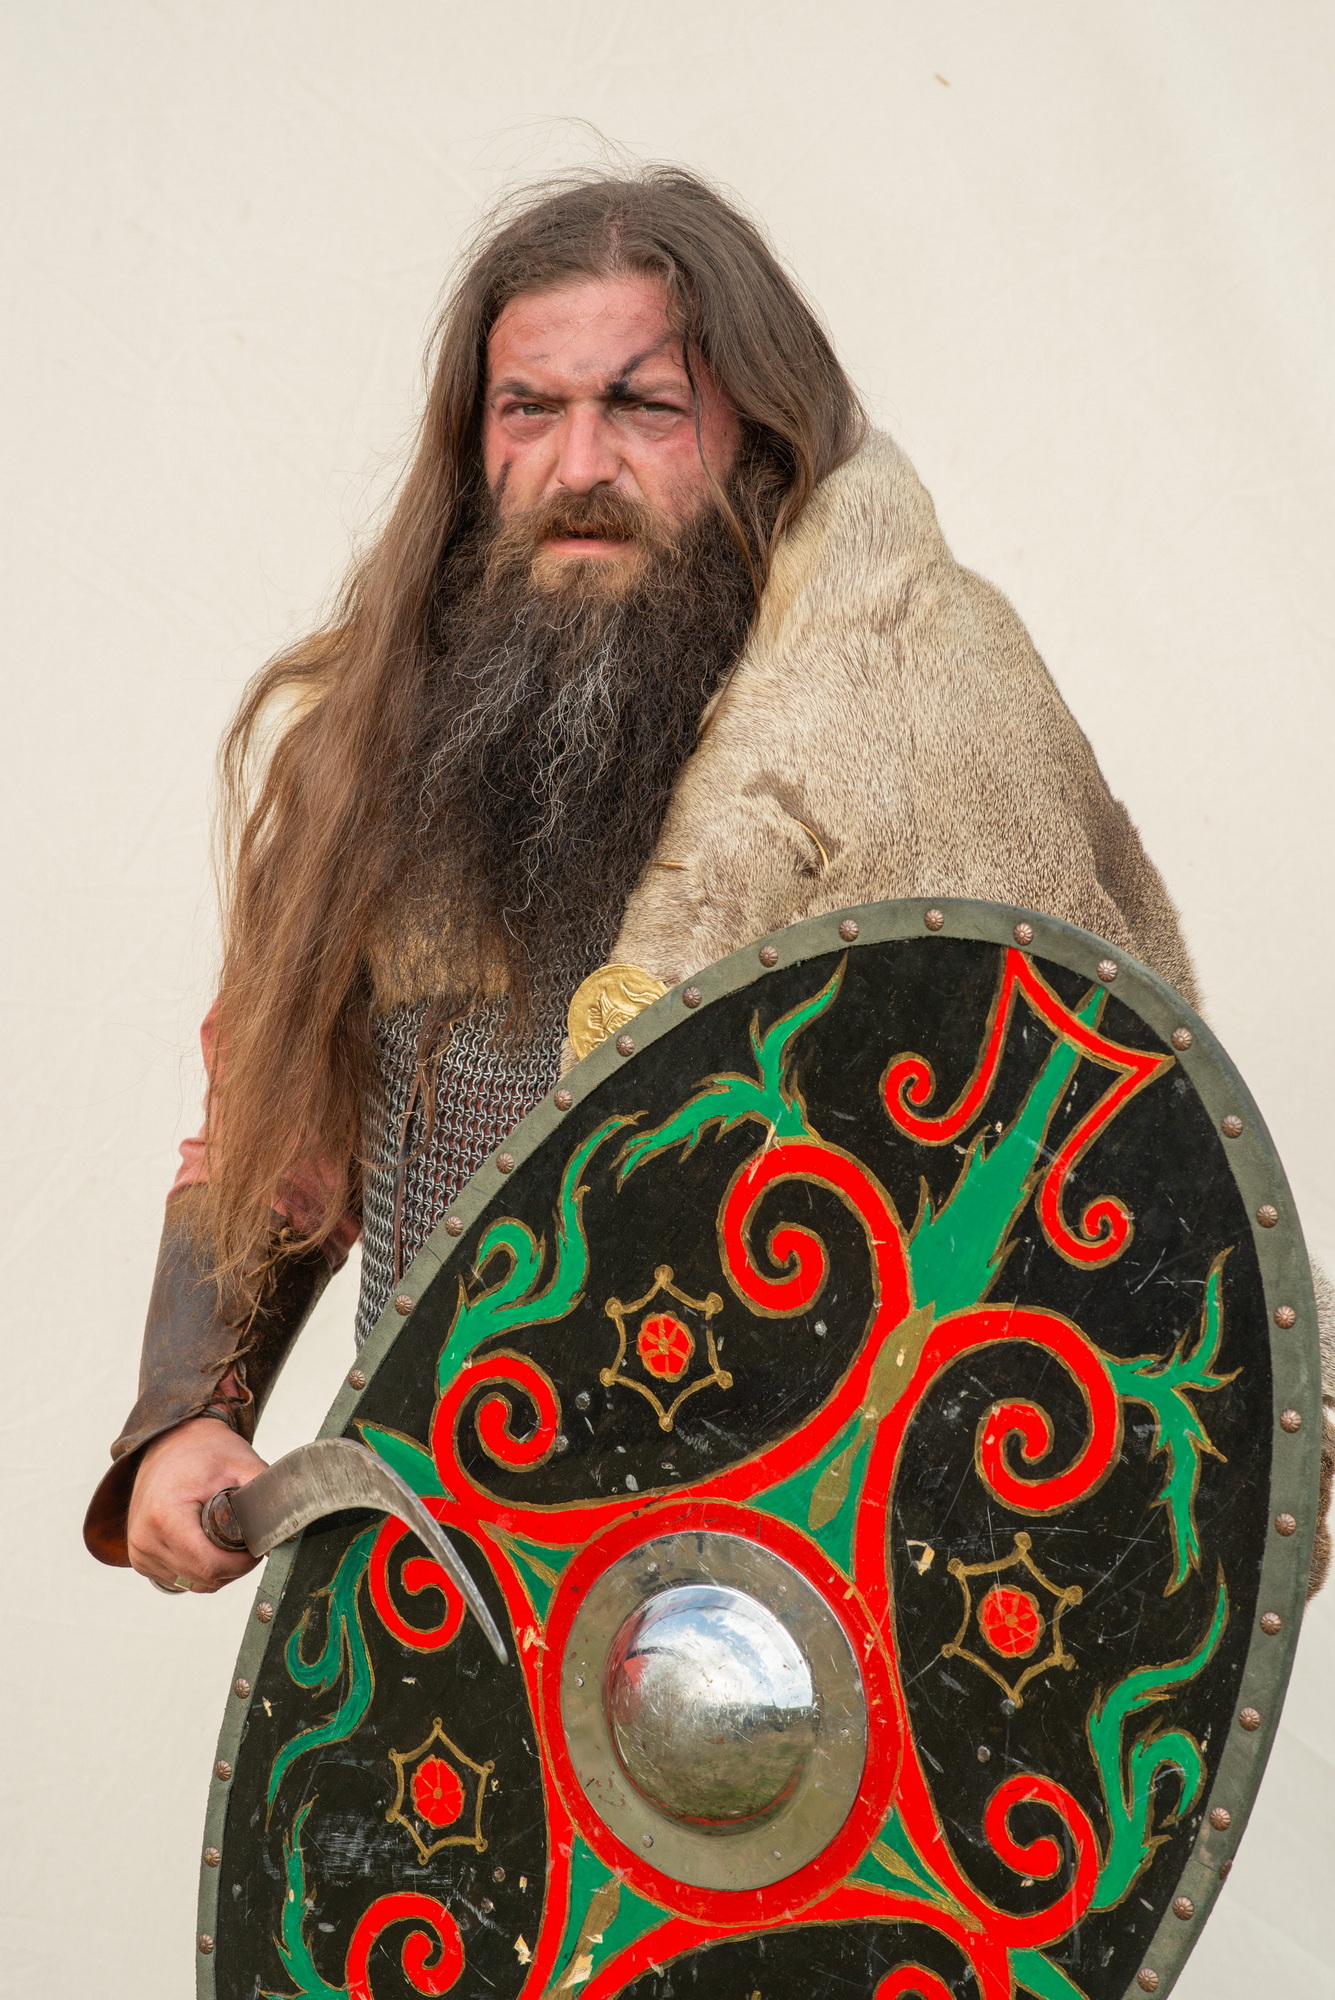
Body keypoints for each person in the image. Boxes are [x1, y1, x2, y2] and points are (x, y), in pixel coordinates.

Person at [83, 165, 1332, 1598]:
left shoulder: (923, 714)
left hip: (825, 1599)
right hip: (459, 1577)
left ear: (758, 431)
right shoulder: (385, 743)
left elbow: (1099, 1173)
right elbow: (281, 1130)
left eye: (644, 407)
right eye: (530, 410)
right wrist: (188, 1412)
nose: (580, 465)